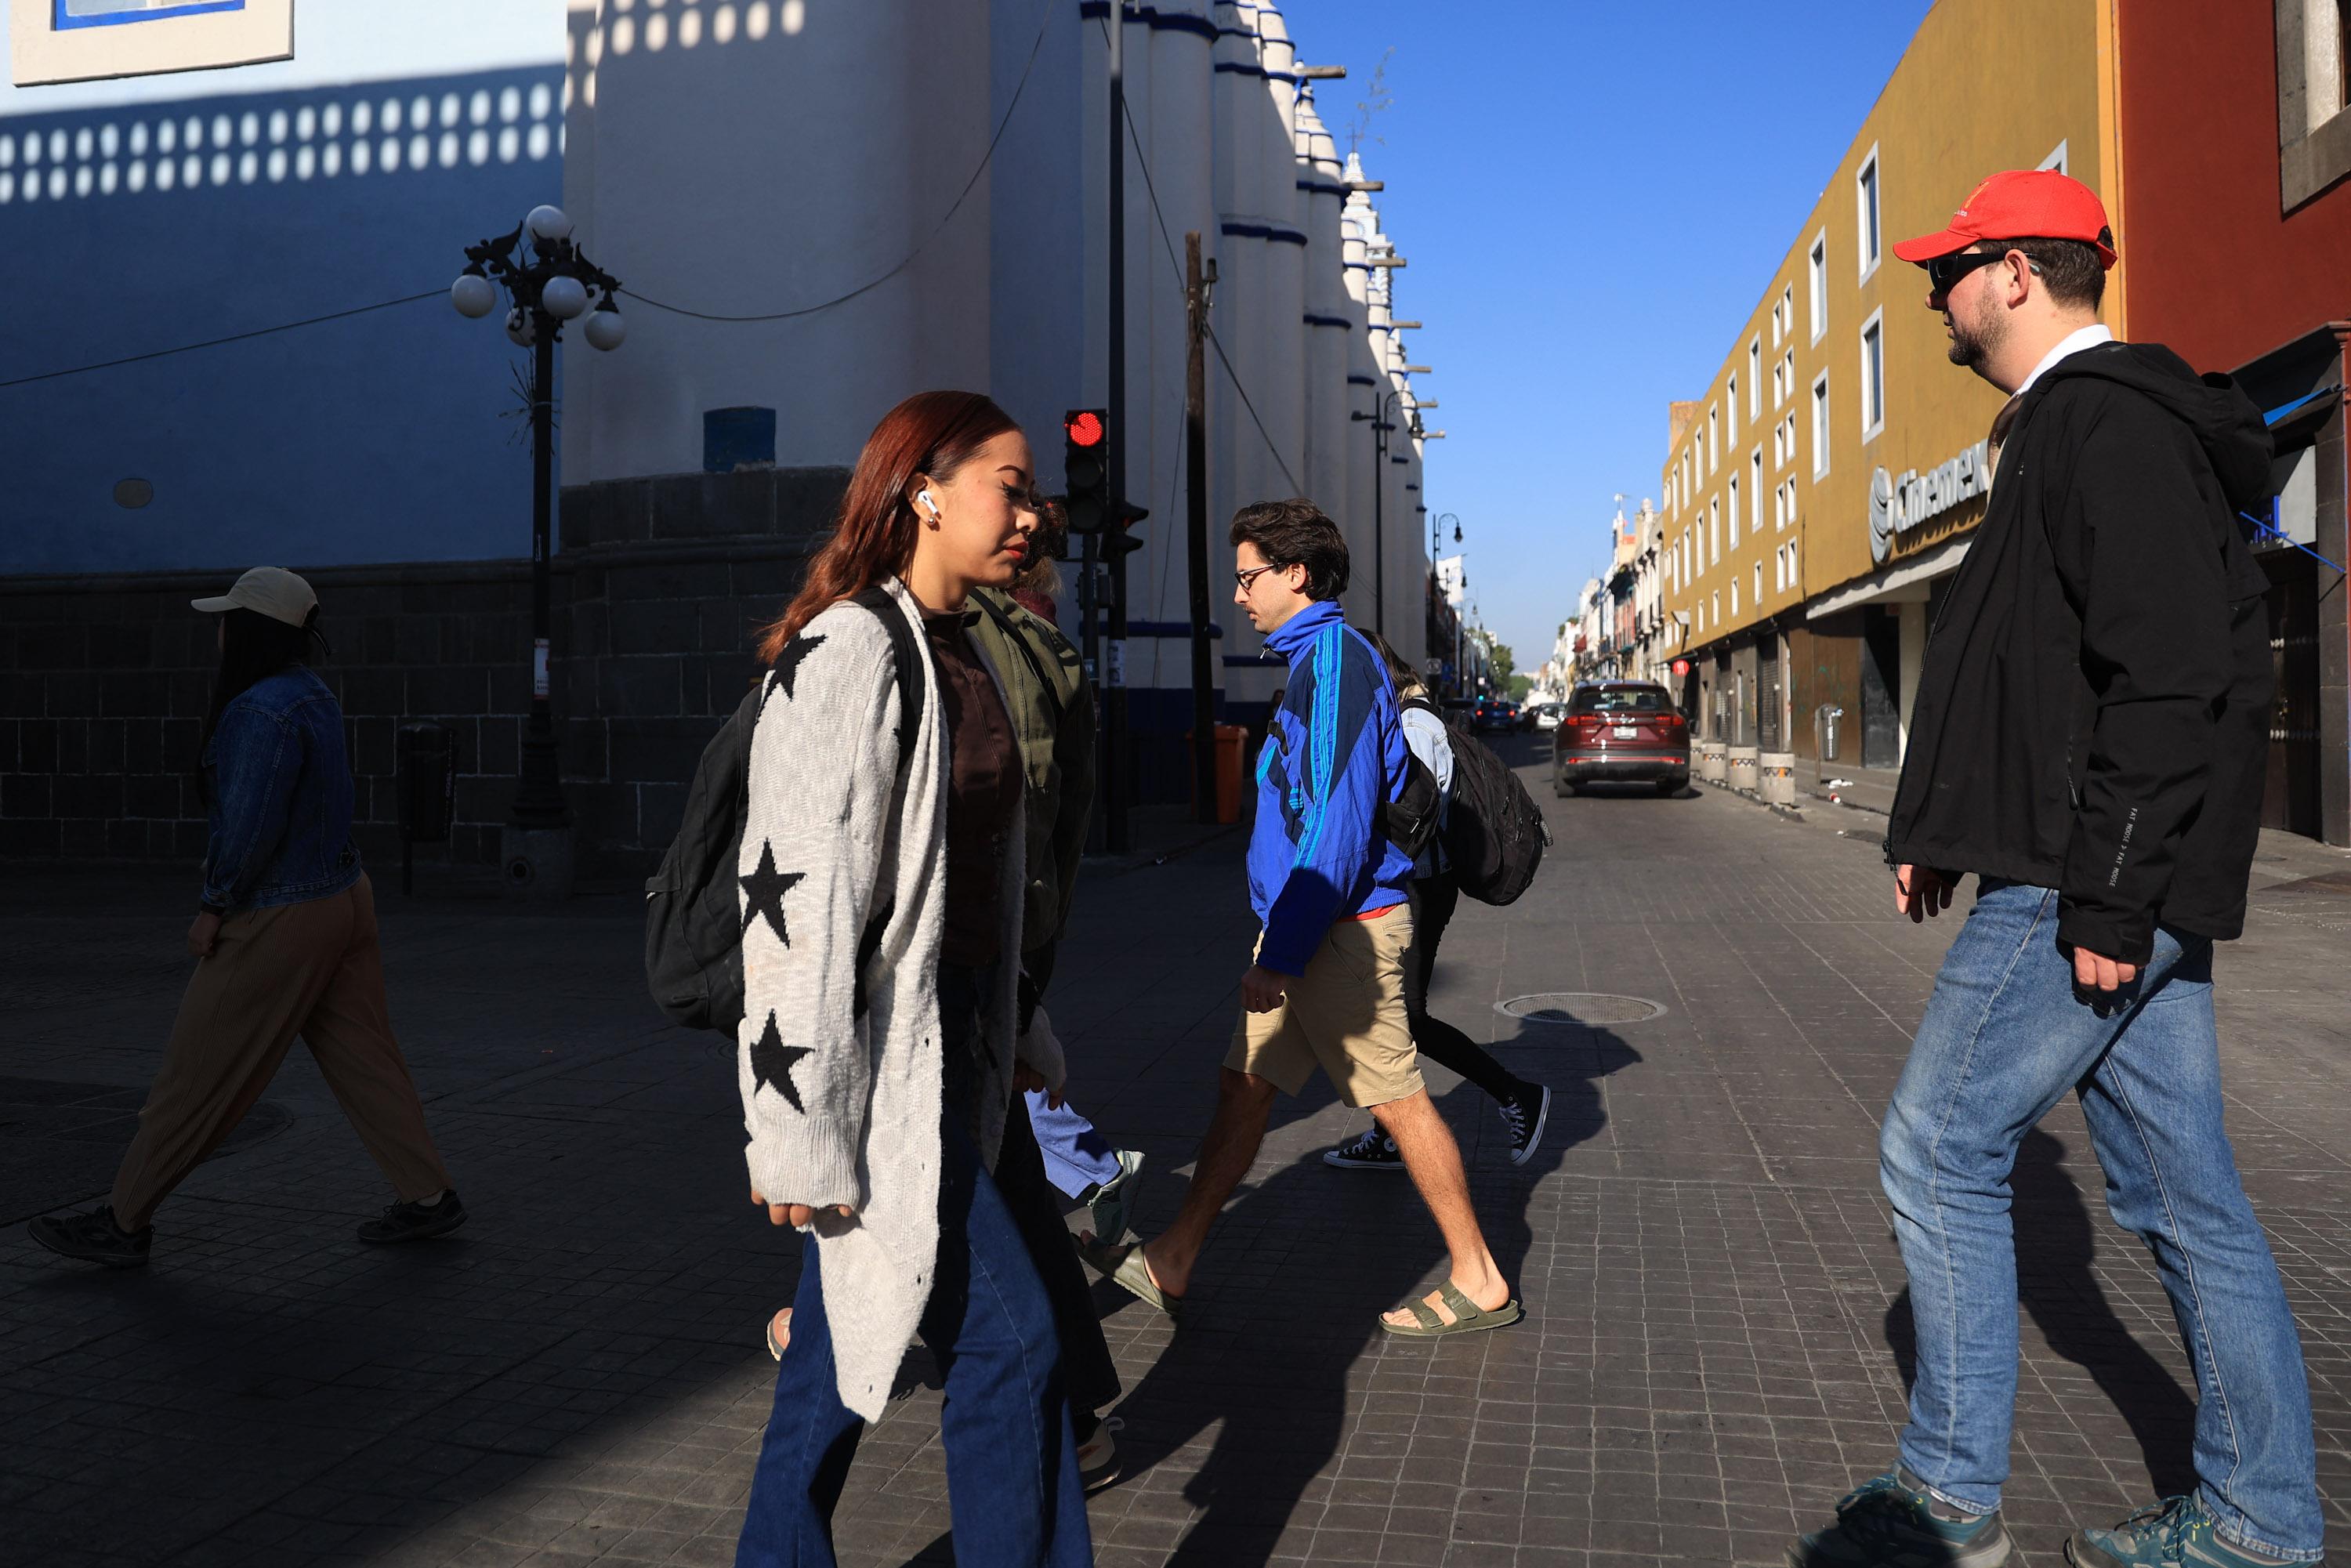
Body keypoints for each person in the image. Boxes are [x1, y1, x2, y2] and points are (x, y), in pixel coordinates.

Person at [1791, 172, 2324, 1568]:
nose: (1932, 297)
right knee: (2185, 1200)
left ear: (2020, 273)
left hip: (2083, 884)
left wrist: (2109, 891)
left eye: (1950, 271)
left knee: (1936, 1144)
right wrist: (1932, 834)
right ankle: (2260, 1519)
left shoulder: (2106, 424)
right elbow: (2028, 675)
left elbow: (2171, 676)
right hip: (2072, 869)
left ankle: (1951, 1499)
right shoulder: (2063, 431)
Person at [732, 389, 1091, 1567]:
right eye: (1010, 483)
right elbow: (799, 903)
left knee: (839, 1346)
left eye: (1034, 491)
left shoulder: (963, 646)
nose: (1031, 513)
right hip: (885, 1068)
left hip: (958, 1045)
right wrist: (795, 1133)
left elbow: (971, 872)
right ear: (924, 490)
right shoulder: (851, 648)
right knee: (1019, 1346)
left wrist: (1020, 1021)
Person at [1078, 498, 1518, 1338]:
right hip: (1313, 931)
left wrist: (1281, 953)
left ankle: (1480, 1274)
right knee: (1243, 1088)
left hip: (1337, 935)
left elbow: (1337, 826)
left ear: (1295, 574)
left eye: (1248, 578)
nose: (1239, 596)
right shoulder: (1316, 665)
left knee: (1396, 1100)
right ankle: (1175, 1256)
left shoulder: (1337, 666)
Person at [27, 567, 462, 1268]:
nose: (218, 628)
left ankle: (123, 1221)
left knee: (195, 1076)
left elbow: (252, 827)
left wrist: (212, 907)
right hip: (345, 896)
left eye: (227, 616)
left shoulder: (259, 711)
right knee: (365, 1057)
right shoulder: (311, 695)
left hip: (283, 911)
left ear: (250, 631)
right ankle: (430, 1196)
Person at [1321, 629, 1551, 1172]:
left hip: (1418, 888)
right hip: (1407, 886)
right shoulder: (1400, 720)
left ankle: (1517, 1094)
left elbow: (1413, 821)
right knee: (1390, 1018)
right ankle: (1390, 1133)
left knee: (1408, 1018)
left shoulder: (1414, 725)